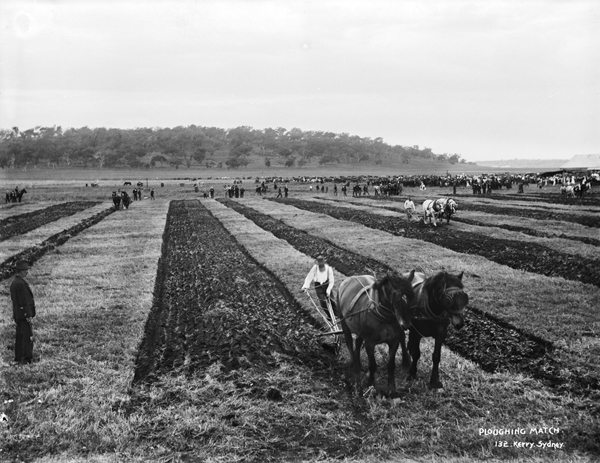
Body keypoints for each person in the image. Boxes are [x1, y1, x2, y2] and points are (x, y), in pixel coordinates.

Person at [10, 260, 36, 365]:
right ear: (20, 271)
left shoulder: (15, 282)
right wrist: (28, 315)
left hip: (18, 315)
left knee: (20, 338)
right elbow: (24, 301)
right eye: (26, 270)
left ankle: (18, 358)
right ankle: (26, 360)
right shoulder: (20, 283)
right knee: (27, 337)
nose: (27, 272)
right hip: (23, 315)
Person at [301, 255, 336, 320]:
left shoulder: (329, 269)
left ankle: (337, 314)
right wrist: (305, 286)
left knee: (332, 300)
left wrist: (328, 290)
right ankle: (330, 316)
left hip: (327, 284)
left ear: (324, 263)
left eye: (322, 264)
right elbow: (309, 277)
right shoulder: (315, 268)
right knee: (323, 302)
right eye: (319, 265)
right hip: (318, 286)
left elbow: (331, 281)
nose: (320, 266)